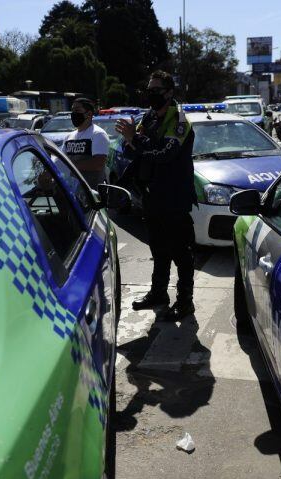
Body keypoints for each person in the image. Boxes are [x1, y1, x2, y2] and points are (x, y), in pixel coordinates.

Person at [115, 70, 196, 322]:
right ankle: (159, 293)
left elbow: (165, 155)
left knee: (181, 253)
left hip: (174, 197)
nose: (151, 94)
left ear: (169, 92)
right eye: (149, 89)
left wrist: (135, 141)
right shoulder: (147, 118)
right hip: (151, 196)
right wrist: (133, 142)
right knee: (159, 250)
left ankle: (185, 302)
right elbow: (127, 150)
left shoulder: (180, 120)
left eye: (157, 90)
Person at [63, 97, 110, 188]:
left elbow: (98, 163)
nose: (73, 114)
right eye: (72, 110)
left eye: (77, 110)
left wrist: (70, 166)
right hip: (73, 192)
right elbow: (61, 160)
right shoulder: (69, 137)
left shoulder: (98, 134)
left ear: (89, 114)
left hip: (92, 194)